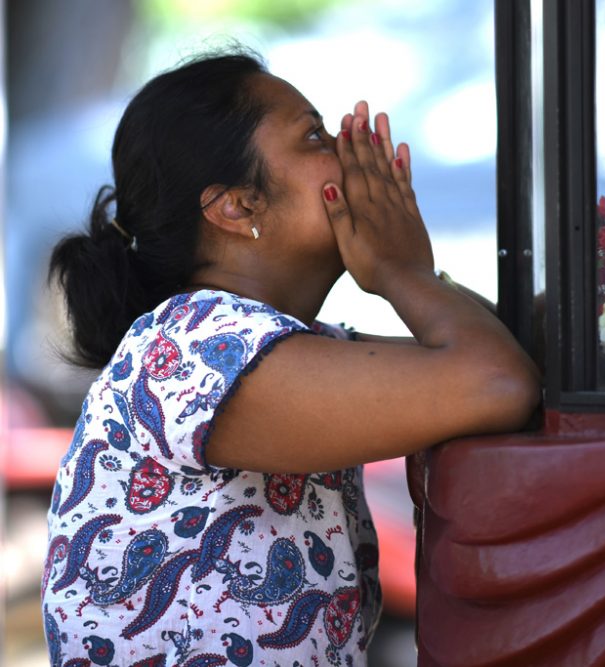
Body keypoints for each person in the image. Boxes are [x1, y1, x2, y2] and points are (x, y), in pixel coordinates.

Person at [41, 51, 540, 667]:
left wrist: (409, 272)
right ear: (236, 207)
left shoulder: (292, 345)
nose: (349, 152)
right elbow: (497, 383)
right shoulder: (192, 347)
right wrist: (399, 270)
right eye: (313, 136)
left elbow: (497, 354)